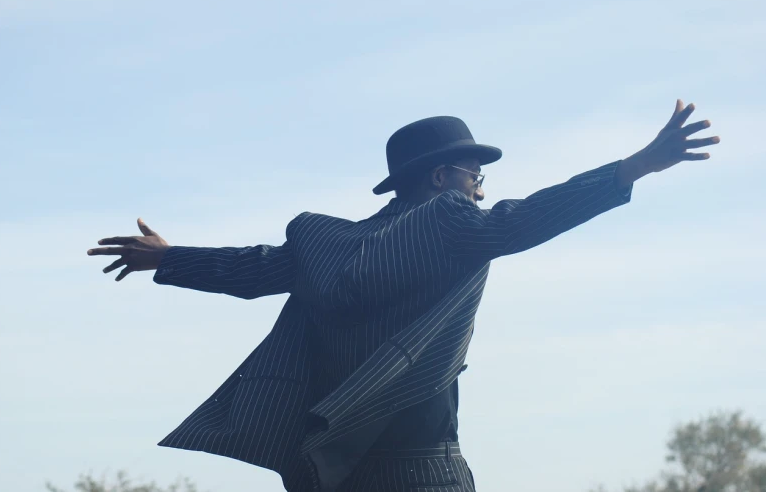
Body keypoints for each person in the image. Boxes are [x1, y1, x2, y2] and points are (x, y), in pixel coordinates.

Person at [87, 100, 719, 492]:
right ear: (442, 178)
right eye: (475, 175)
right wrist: (633, 167)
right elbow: (521, 222)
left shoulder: (324, 242)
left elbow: (254, 271)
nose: (480, 188)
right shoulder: (450, 224)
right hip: (426, 470)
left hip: (331, 467)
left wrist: (169, 259)